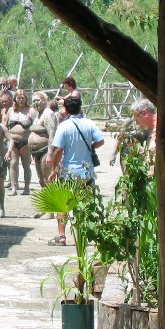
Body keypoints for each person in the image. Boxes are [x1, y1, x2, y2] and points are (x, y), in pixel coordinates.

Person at [48, 96, 104, 246]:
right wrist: (90, 146)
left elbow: (58, 149)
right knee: (85, 203)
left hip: (68, 171)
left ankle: (61, 236)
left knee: (63, 204)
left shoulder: (64, 126)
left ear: (65, 109)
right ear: (80, 107)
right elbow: (101, 141)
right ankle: (83, 234)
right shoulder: (89, 123)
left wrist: (54, 168)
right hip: (87, 172)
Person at [6, 89, 36, 195]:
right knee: (13, 164)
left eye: (23, 98)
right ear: (15, 99)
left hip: (25, 142)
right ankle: (14, 187)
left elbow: (35, 126)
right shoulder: (10, 110)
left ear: (26, 98)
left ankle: (26, 188)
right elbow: (5, 126)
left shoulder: (30, 111)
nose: (21, 100)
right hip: (13, 142)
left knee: (25, 165)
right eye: (19, 98)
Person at [29, 91, 59, 189]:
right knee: (41, 180)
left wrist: (50, 154)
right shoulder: (38, 115)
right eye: (33, 101)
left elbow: (52, 134)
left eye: (37, 100)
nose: (35, 103)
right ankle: (47, 202)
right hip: (36, 152)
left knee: (48, 179)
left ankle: (53, 202)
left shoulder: (48, 114)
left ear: (44, 100)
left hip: (46, 151)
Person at [130, 97, 157, 171]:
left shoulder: (161, 128)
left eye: (136, 116)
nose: (136, 121)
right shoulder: (150, 130)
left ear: (145, 113)